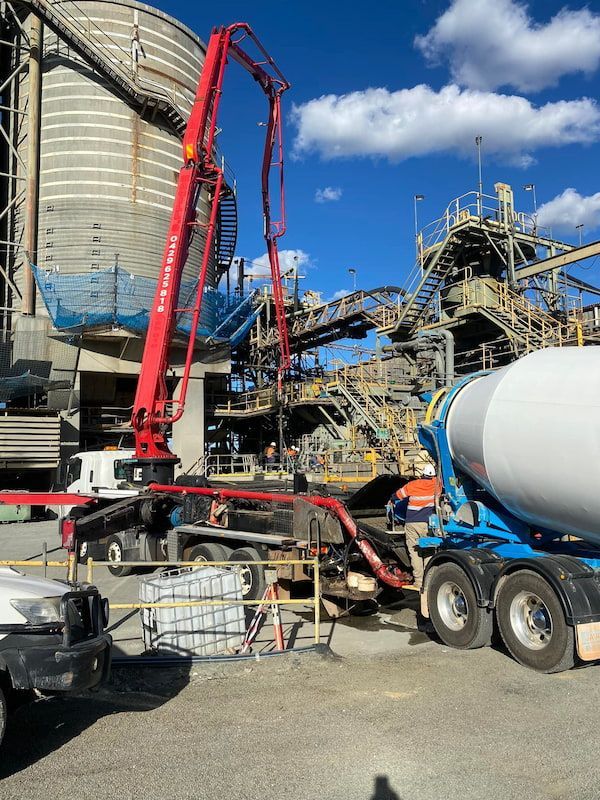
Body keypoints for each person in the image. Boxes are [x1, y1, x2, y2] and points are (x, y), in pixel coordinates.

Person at [389, 463, 437, 590]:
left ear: (422, 473)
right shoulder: (436, 484)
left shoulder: (413, 485)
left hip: (412, 522)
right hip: (428, 523)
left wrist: (391, 500)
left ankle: (419, 581)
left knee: (415, 552)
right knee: (429, 551)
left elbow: (397, 496)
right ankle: (429, 579)